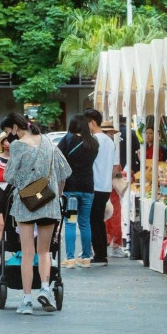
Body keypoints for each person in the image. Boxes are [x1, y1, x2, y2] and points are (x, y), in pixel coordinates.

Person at [2, 113, 72, 315]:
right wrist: (56, 193)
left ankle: (26, 300)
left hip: (26, 204)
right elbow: (64, 171)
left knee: (27, 252)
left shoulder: (17, 146)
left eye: (8, 132)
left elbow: (10, 176)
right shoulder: (49, 142)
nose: (9, 138)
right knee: (45, 251)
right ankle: (45, 289)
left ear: (15, 128)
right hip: (49, 202)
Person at [57, 115, 99, 269]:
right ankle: (86, 258)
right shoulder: (94, 142)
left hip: (71, 189)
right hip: (88, 188)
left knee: (70, 223)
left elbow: (57, 156)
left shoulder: (68, 139)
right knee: (85, 223)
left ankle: (70, 259)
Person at [84, 109, 120, 267]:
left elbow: (87, 165)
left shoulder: (93, 141)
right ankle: (101, 253)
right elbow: (115, 169)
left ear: (92, 122)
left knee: (93, 220)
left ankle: (99, 254)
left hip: (94, 185)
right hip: (106, 186)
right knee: (98, 220)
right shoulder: (110, 142)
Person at [102, 122, 126, 258]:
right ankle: (115, 245)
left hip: (99, 186)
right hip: (110, 186)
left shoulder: (96, 144)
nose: (111, 135)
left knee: (103, 217)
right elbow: (116, 168)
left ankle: (103, 244)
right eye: (110, 133)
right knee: (114, 215)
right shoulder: (111, 146)